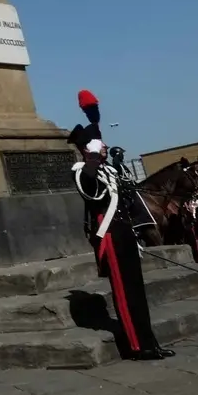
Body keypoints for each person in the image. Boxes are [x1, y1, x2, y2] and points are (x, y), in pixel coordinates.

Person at [69, 90, 172, 361]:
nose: (103, 147)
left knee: (137, 289)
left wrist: (116, 165)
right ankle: (138, 346)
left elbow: (128, 197)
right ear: (88, 149)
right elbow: (92, 192)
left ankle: (149, 341)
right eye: (98, 145)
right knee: (125, 293)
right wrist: (92, 161)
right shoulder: (82, 171)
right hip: (110, 236)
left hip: (126, 233)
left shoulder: (108, 170)